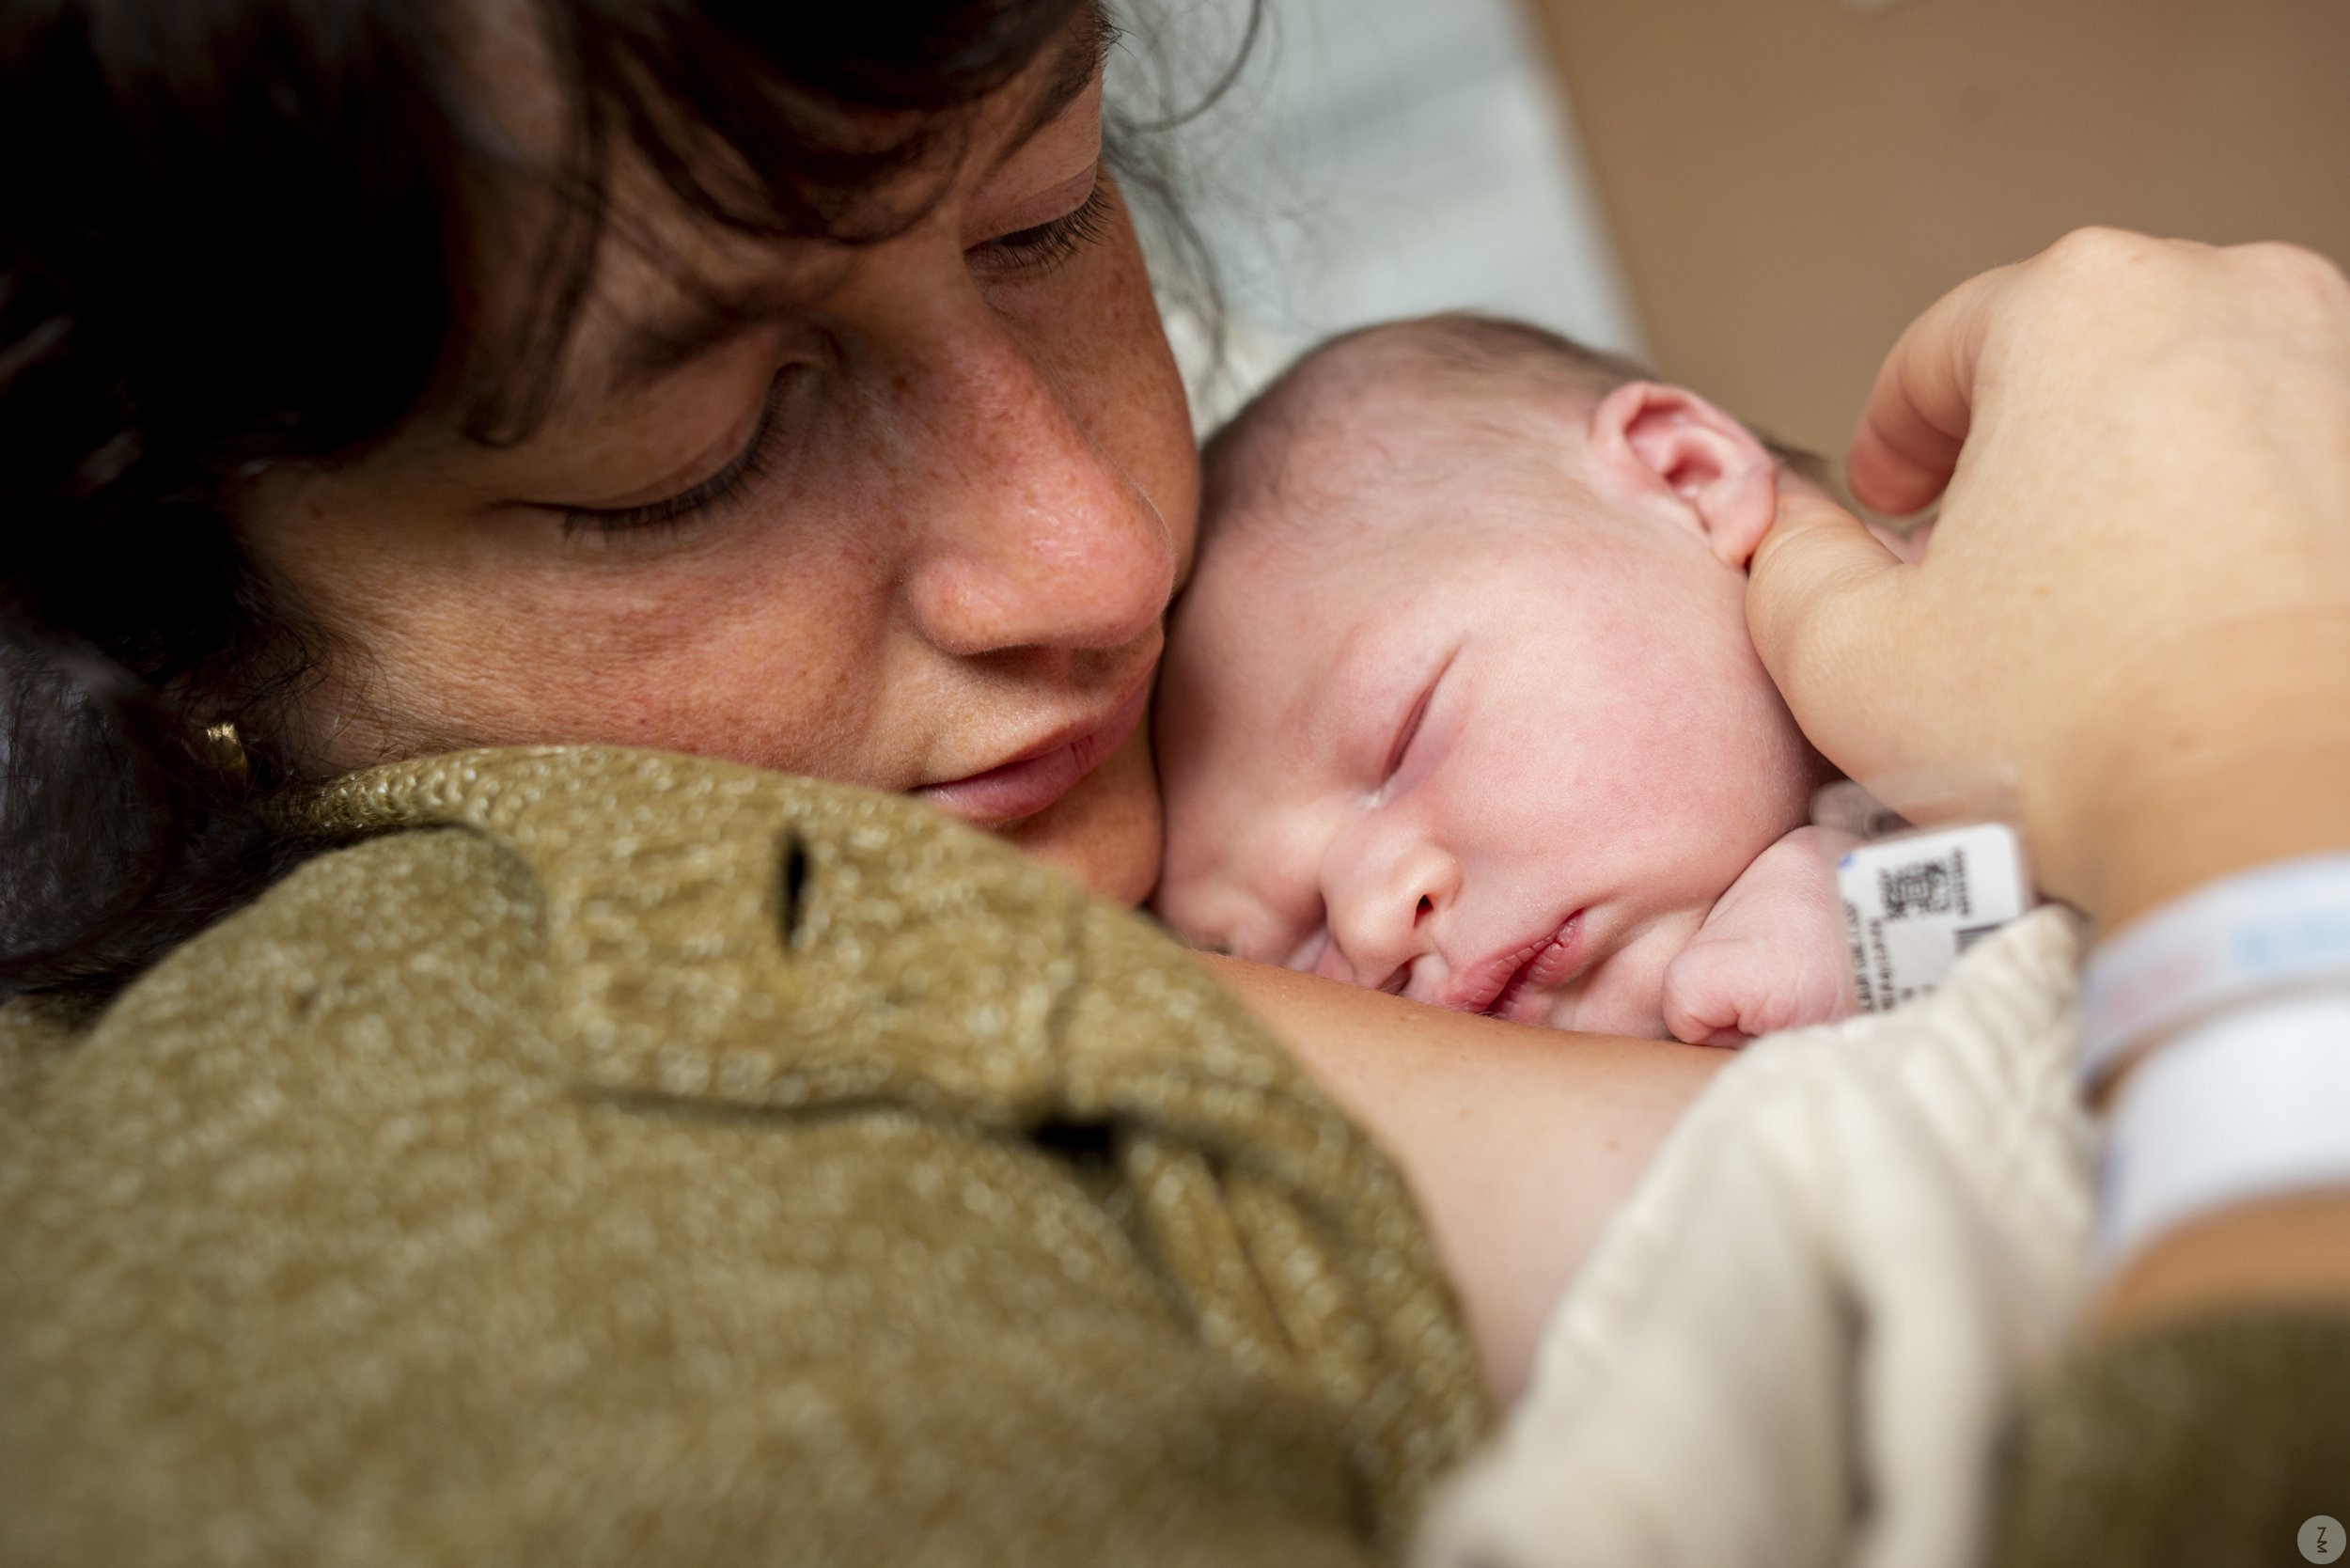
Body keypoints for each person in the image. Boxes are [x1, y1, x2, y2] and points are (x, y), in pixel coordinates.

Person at [0, 0, 2343, 1557]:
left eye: (1045, 211)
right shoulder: (398, 1258)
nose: (1103, 554)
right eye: (682, 465)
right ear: (160, 610)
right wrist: (2256, 731)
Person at [1154, 314, 1862, 1046]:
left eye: (1403, 741)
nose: (1370, 929)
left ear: (1687, 476)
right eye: (1302, 952)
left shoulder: (1978, 599)